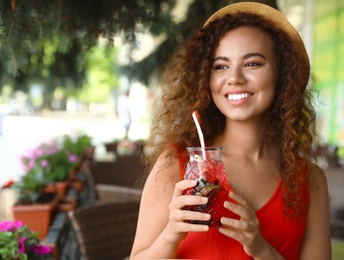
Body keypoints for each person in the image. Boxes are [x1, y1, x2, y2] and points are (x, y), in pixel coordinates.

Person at [130, 2, 331, 259]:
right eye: (221, 66)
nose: (234, 78)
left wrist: (261, 249)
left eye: (252, 64)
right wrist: (171, 234)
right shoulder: (177, 164)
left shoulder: (310, 180)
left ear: (282, 75)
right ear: (206, 78)